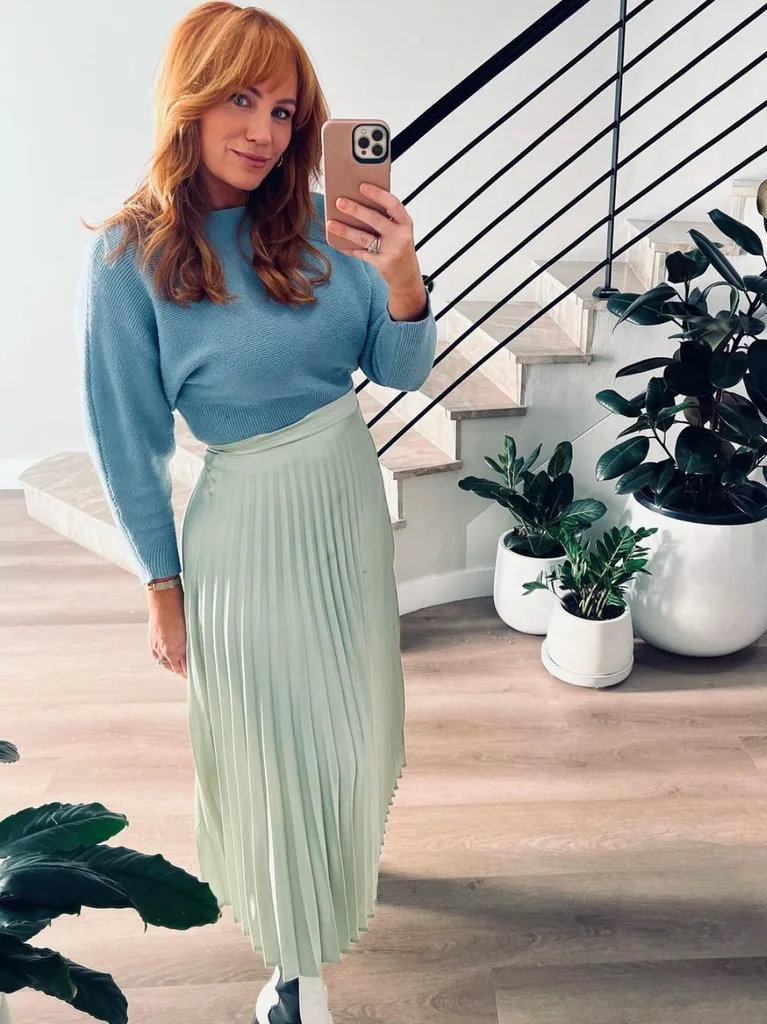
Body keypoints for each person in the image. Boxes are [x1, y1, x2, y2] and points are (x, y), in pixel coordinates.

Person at [74, 3, 437, 1022]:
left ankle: (339, 858)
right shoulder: (130, 257)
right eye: (241, 99)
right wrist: (162, 586)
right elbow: (126, 442)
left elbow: (397, 370)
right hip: (242, 516)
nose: (265, 131)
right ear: (189, 99)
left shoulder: (322, 223)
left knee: (350, 713)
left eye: (283, 111)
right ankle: (292, 967)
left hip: (345, 493)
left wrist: (400, 275)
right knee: (270, 739)